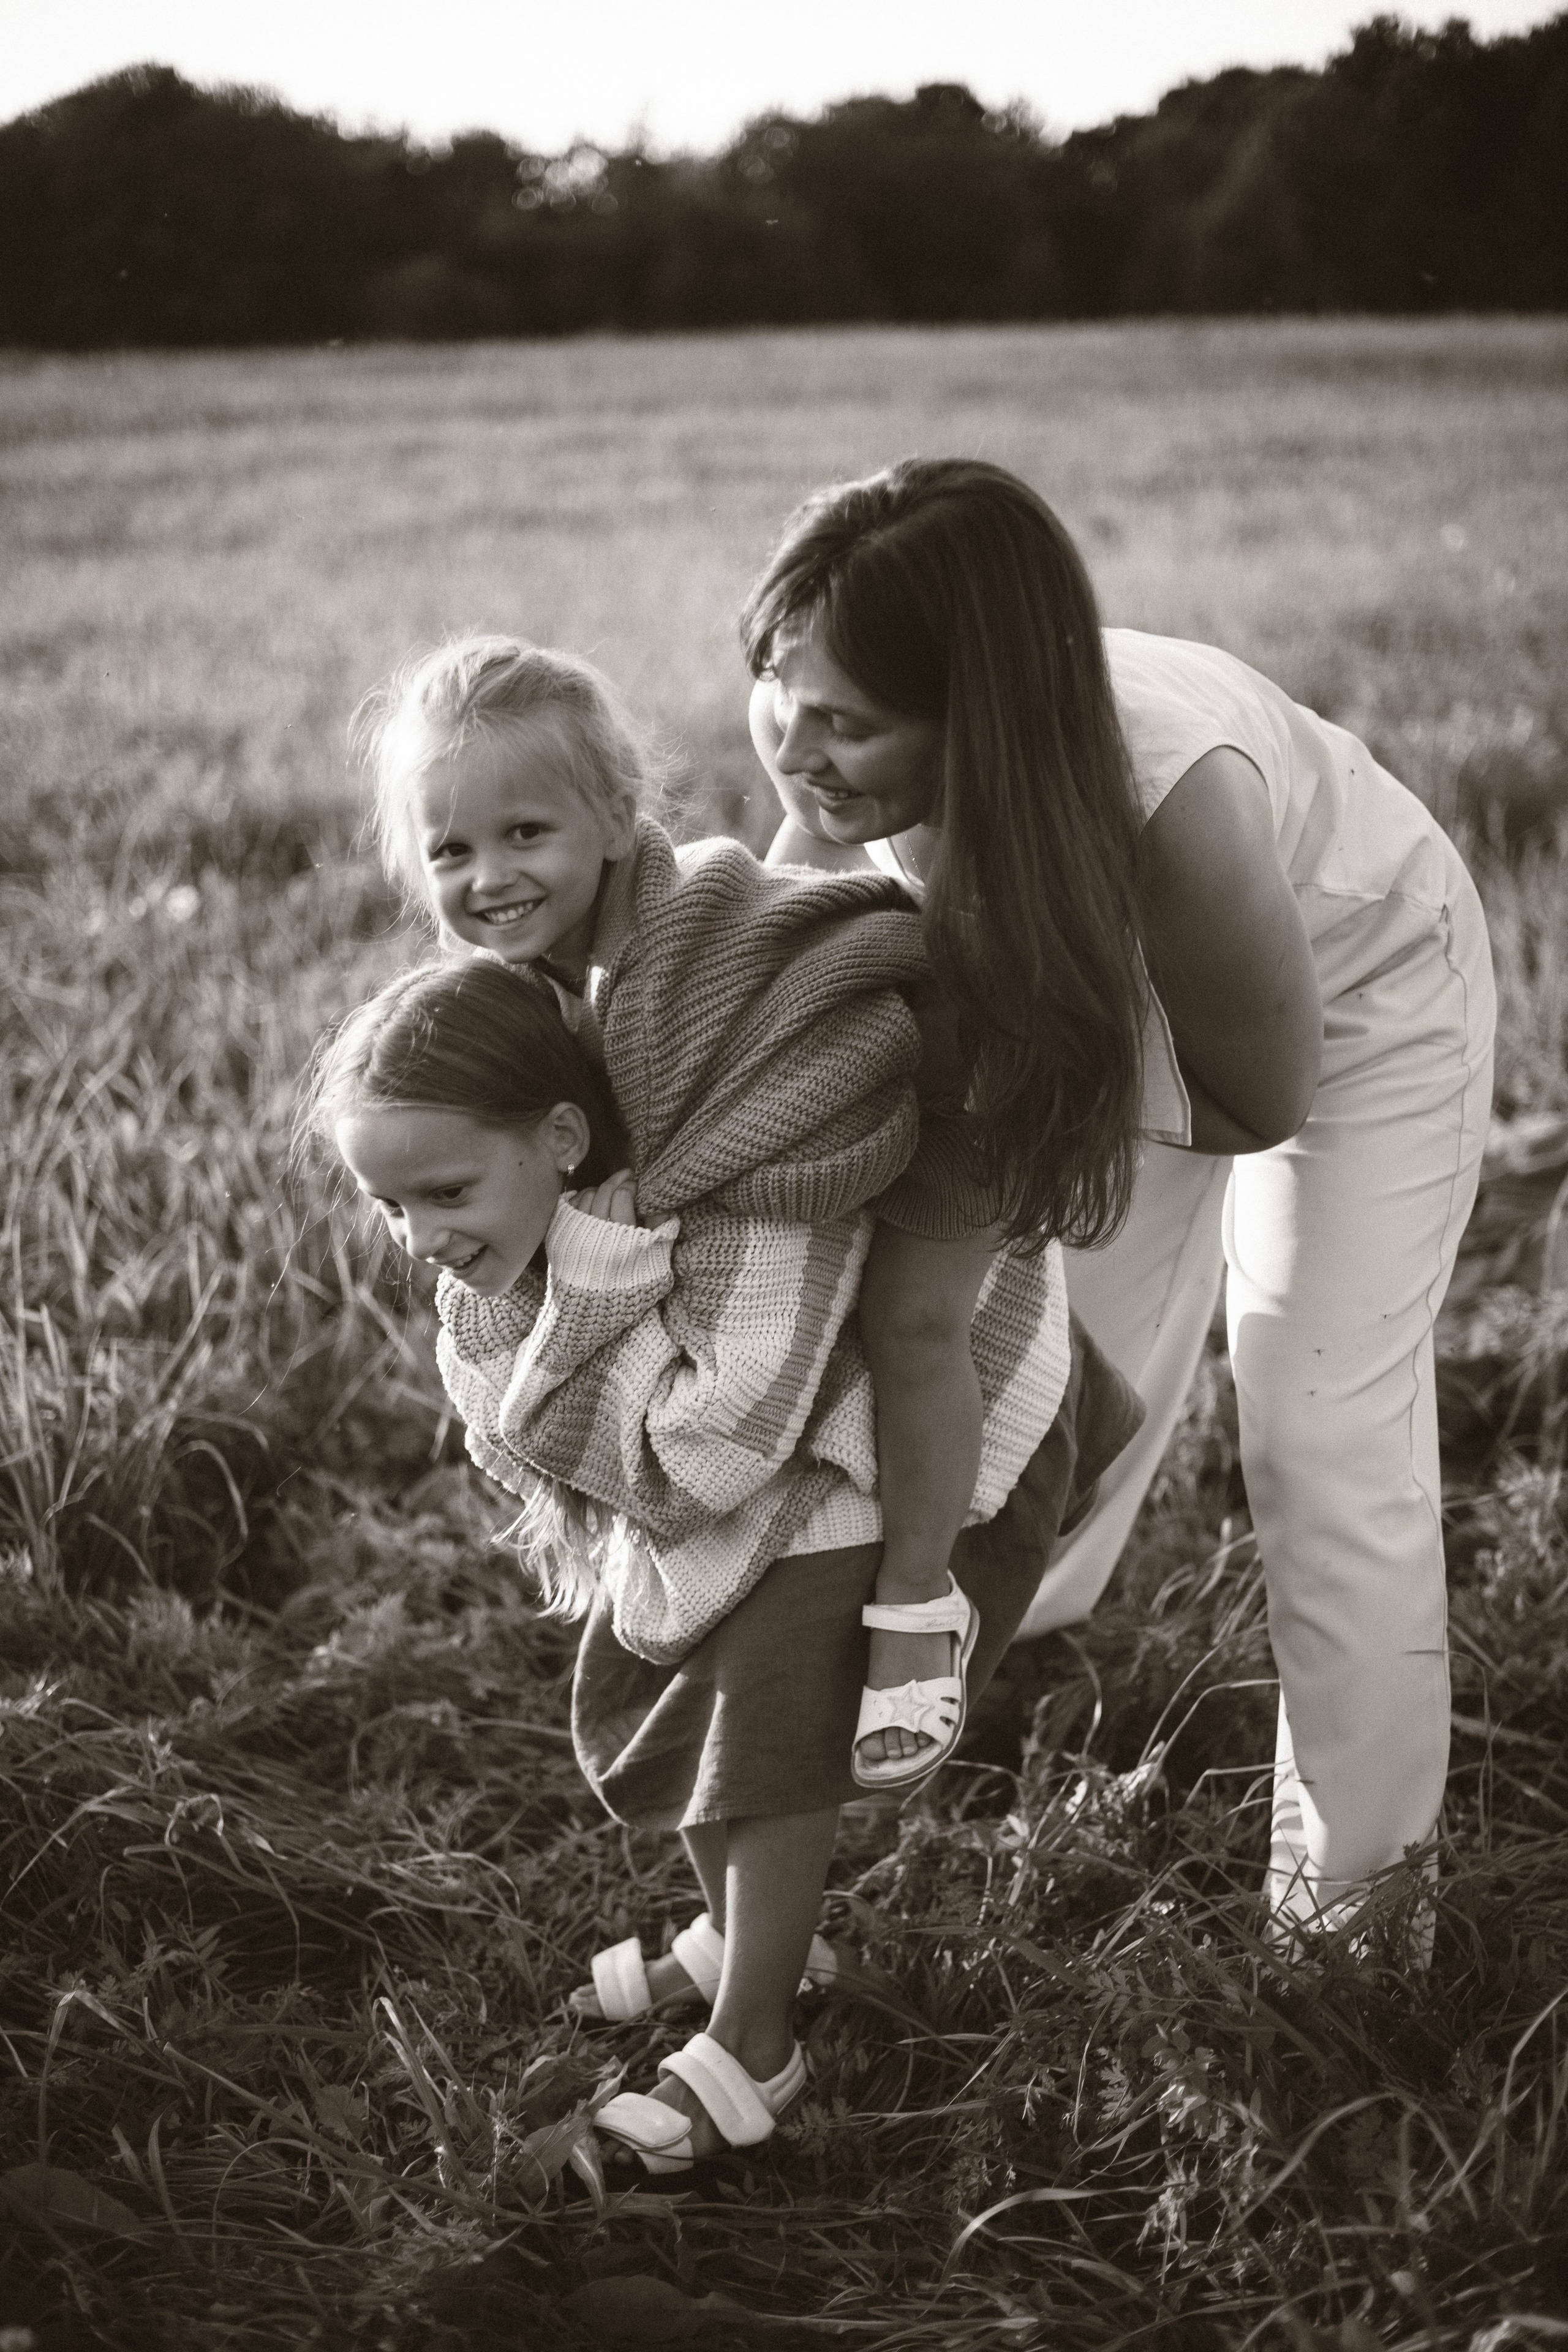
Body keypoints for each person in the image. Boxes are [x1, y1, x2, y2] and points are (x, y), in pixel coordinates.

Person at [745, 456, 1495, 1943]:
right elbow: (792, 944)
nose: (797, 750)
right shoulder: (837, 736)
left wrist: (1000, 1084)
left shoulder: (1166, 799)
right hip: (1077, 1019)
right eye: (778, 693)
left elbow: (1254, 1099)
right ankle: (950, 1703)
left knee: (1315, 1426)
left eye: (846, 723)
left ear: (983, 716)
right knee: (1038, 1386)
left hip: (1344, 1018)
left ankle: (1351, 1923)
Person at [308, 958, 1139, 2173]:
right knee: (673, 1679)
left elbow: (704, 1454)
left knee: (771, 1736)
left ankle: (755, 2041)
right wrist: (542, 1318)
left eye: (444, 1191)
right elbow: (511, 1436)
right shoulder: (498, 1265)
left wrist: (587, 1310)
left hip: (890, 1452)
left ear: (557, 1137)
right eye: (390, 1209)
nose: (421, 1240)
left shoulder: (720, 1217)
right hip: (739, 1475)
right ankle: (750, 1935)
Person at [352, 634, 1035, 1782]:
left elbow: (738, 1074)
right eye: (452, 849)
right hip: (822, 1101)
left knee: (914, 1326)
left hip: (932, 1075)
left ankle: (918, 1606)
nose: (490, 876)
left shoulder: (678, 952)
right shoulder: (529, 979)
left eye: (527, 834)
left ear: (619, 820)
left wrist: (610, 1249)